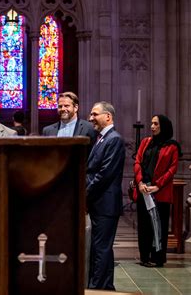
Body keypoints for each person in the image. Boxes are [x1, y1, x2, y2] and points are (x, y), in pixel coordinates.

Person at [86, 101, 125, 290]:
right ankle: (106, 286)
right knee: (102, 248)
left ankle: (97, 288)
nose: (90, 118)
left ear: (108, 116)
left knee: (100, 248)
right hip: (99, 203)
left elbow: (104, 174)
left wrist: (84, 195)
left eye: (95, 114)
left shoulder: (114, 139)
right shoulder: (101, 138)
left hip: (105, 204)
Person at [133, 115, 181, 267]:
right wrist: (140, 182)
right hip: (144, 190)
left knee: (158, 225)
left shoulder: (172, 146)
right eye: (152, 123)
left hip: (160, 192)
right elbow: (137, 162)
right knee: (144, 225)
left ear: (164, 126)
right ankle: (144, 257)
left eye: (156, 124)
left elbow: (172, 169)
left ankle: (158, 257)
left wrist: (158, 185)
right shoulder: (145, 142)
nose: (152, 127)